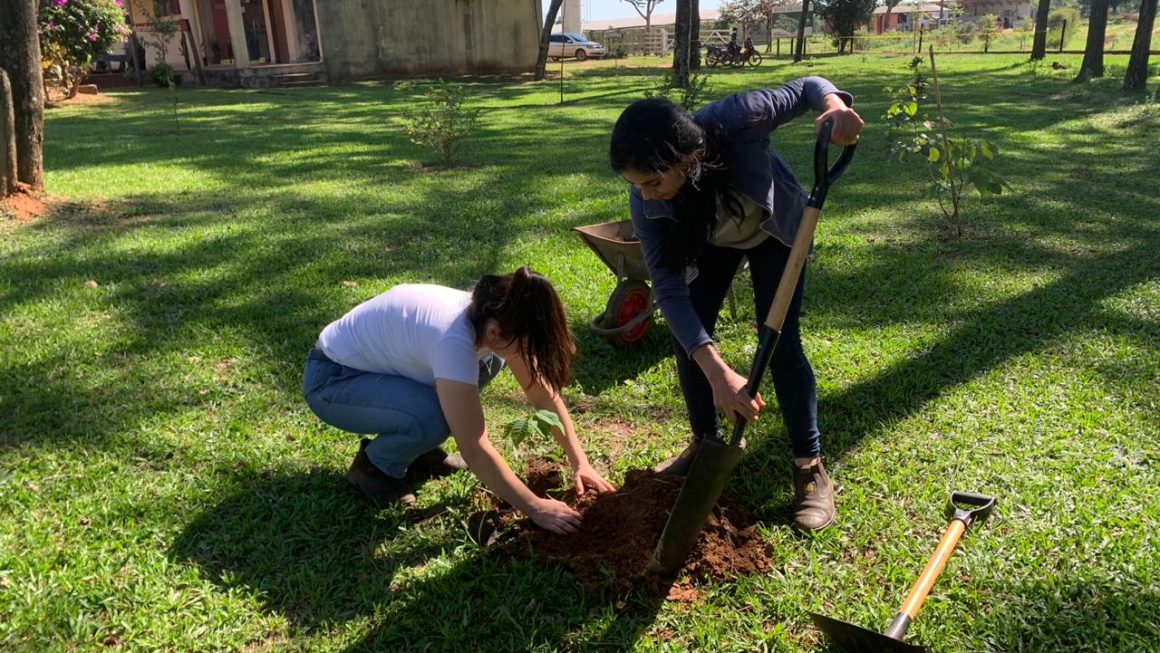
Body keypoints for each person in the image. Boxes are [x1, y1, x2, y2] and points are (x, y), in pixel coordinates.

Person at [608, 77, 863, 531]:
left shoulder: (738, 116)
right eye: (636, 185)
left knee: (782, 346)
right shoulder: (647, 201)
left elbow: (807, 87)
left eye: (651, 181)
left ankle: (809, 466)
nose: (644, 194)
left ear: (684, 158)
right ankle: (705, 442)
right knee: (692, 340)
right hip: (709, 239)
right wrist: (720, 373)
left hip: (775, 231)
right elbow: (669, 292)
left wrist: (833, 105)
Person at [303, 267, 615, 534]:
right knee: (433, 420)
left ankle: (419, 450)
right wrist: (535, 507)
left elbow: (539, 391)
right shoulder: (453, 339)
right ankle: (373, 467)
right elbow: (474, 446)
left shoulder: (493, 315)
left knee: (491, 363)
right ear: (494, 332)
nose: (529, 356)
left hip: (386, 371)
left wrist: (580, 462)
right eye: (528, 347)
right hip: (334, 379)